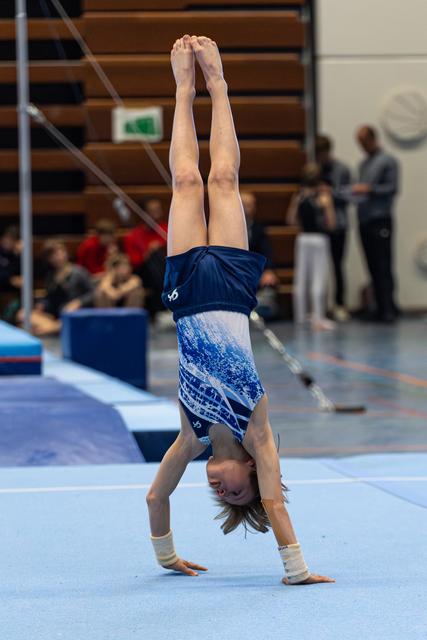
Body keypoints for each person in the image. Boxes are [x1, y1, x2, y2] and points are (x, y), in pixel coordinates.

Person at [146, 35, 334, 587]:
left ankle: (182, 88)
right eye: (235, 492)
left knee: (185, 182)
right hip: (228, 292)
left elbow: (157, 495)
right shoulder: (259, 434)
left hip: (185, 292)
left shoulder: (192, 433)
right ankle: (219, 83)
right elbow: (275, 506)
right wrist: (296, 569)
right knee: (223, 181)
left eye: (217, 494)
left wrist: (165, 558)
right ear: (252, 471)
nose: (219, 489)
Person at [353, 125, 399, 323]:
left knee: (383, 264)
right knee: (371, 265)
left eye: (364, 142)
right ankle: (378, 307)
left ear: (372, 139)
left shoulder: (388, 161)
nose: (362, 147)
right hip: (364, 219)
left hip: (380, 219)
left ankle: (388, 309)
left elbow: (392, 188)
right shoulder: (364, 164)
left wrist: (369, 189)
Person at [287, 163, 336, 331]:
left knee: (301, 278)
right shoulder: (322, 197)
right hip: (319, 239)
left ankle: (300, 317)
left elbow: (291, 220)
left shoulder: (299, 196)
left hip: (303, 238)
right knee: (318, 279)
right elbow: (331, 223)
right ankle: (318, 318)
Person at [315, 135, 351, 322]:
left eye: (323, 153)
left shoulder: (342, 169)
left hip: (339, 224)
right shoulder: (316, 170)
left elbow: (348, 195)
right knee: (320, 267)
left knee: (338, 265)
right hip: (320, 227)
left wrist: (331, 193)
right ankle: (321, 306)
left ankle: (340, 303)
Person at [26, 240, 94, 336]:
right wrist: (42, 304)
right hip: (55, 315)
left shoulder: (79, 273)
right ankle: (55, 327)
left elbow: (92, 294)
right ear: (49, 259)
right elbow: (50, 297)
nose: (58, 257)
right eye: (53, 255)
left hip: (74, 314)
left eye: (60, 253)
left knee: (38, 329)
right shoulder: (50, 276)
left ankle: (53, 328)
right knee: (24, 315)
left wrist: (78, 302)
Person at [124, 199, 168, 319]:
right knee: (155, 257)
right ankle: (164, 303)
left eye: (158, 210)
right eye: (152, 211)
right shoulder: (134, 235)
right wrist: (148, 253)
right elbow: (135, 262)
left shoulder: (168, 230)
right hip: (145, 273)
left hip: (168, 270)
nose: (157, 214)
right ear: (144, 213)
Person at [0, 226, 22, 293]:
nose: (8, 241)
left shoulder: (15, 255)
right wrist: (10, 279)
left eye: (12, 239)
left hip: (11, 292)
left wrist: (18, 256)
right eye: (6, 237)